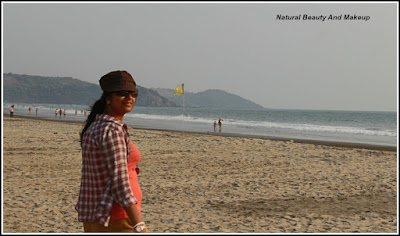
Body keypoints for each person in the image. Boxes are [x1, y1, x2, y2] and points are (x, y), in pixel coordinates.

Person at [76, 70, 148, 233]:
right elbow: (119, 184)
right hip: (117, 216)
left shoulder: (95, 126)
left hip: (98, 214)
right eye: (122, 94)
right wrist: (138, 224)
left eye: (133, 94)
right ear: (108, 98)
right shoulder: (112, 131)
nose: (129, 98)